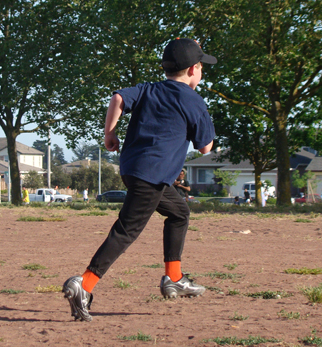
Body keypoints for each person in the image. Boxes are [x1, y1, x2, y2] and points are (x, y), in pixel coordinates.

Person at [62, 38, 216, 322]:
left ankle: (174, 278)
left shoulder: (149, 89)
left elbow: (118, 99)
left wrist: (110, 133)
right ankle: (84, 283)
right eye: (201, 66)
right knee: (126, 231)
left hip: (134, 169)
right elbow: (205, 147)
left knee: (179, 213)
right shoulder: (193, 101)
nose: (202, 71)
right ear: (193, 69)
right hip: (152, 174)